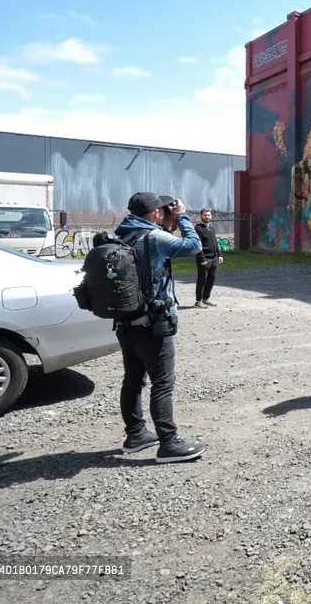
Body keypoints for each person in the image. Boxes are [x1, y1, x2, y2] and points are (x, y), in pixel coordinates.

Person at [114, 192, 208, 463]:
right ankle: (169, 443)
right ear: (156, 213)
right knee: (162, 383)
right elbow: (193, 245)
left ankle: (136, 435)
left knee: (132, 381)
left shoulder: (120, 235)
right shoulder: (154, 238)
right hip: (154, 323)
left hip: (125, 322)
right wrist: (181, 216)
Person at [194, 208, 224, 307]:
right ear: (201, 216)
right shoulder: (198, 229)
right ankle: (198, 301)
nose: (207, 217)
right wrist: (202, 259)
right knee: (202, 279)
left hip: (214, 258)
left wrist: (219, 255)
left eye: (209, 215)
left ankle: (205, 299)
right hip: (204, 259)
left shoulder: (211, 228)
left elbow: (215, 242)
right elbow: (198, 245)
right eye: (205, 215)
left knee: (211, 279)